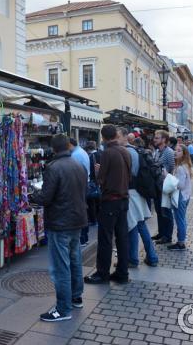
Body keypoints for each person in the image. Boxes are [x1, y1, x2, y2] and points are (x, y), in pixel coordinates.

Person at [32, 134, 88, 322]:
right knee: (75, 260)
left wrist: (33, 195)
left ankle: (63, 309)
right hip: (77, 220)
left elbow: (46, 197)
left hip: (60, 222)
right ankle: (76, 297)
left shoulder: (53, 167)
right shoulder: (78, 165)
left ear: (53, 149)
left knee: (61, 266)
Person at [84, 125, 131, 285]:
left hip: (111, 200)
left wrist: (98, 171)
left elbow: (101, 180)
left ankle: (102, 273)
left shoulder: (107, 153)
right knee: (122, 238)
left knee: (105, 238)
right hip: (124, 199)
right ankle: (122, 272)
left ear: (103, 137)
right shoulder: (125, 151)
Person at [125, 132, 158, 267]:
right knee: (141, 225)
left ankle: (133, 259)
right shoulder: (140, 152)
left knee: (133, 225)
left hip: (132, 193)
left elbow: (130, 176)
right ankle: (152, 256)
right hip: (141, 193)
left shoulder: (129, 152)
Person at [151, 130, 175, 245]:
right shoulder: (156, 151)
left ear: (164, 140)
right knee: (159, 211)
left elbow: (172, 167)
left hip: (165, 187)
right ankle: (161, 233)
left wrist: (166, 178)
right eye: (155, 137)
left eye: (157, 138)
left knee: (166, 212)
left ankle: (167, 236)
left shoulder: (169, 152)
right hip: (156, 186)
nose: (154, 139)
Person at [167, 144, 193, 250]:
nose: (175, 152)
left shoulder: (181, 168)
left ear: (184, 154)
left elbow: (181, 185)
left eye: (178, 150)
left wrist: (168, 178)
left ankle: (181, 242)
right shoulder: (185, 165)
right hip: (185, 196)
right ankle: (181, 241)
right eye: (175, 150)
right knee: (182, 219)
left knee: (180, 219)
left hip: (180, 196)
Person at [69, 138, 91, 246]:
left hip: (79, 185)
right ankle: (85, 237)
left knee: (80, 211)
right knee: (83, 209)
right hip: (84, 183)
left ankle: (82, 238)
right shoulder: (81, 152)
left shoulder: (75, 155)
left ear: (69, 145)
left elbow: (73, 172)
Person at [84, 141, 101, 227]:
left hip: (93, 181)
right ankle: (98, 218)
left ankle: (93, 220)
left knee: (91, 201)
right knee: (98, 200)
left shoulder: (90, 157)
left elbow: (89, 170)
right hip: (100, 181)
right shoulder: (101, 154)